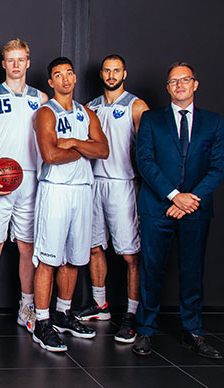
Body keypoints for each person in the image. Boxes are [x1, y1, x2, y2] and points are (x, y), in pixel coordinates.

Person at [132, 62, 224, 359]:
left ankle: (193, 331)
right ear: (168, 88)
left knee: (192, 271)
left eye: (185, 80)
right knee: (151, 271)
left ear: (195, 84)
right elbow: (145, 161)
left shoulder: (213, 122)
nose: (180, 85)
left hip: (195, 210)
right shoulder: (151, 119)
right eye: (173, 82)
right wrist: (174, 196)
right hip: (157, 207)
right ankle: (145, 331)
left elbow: (217, 168)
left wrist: (189, 199)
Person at [31, 57, 108, 352]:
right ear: (50, 82)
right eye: (58, 75)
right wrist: (83, 146)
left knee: (75, 257)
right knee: (49, 259)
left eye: (69, 74)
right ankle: (41, 321)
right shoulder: (45, 113)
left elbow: (103, 150)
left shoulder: (87, 113)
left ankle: (63, 313)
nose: (65, 79)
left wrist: (72, 142)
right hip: (56, 190)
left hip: (82, 189)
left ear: (75, 79)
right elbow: (50, 155)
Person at [0, 39, 48, 336]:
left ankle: (26, 306)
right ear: (3, 64)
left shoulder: (43, 99)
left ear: (28, 63)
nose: (16, 64)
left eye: (21, 59)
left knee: (27, 248)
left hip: (31, 179)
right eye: (11, 60)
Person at [79, 54, 148, 344]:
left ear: (124, 73)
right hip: (93, 183)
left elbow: (147, 151)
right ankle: (101, 304)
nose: (110, 75)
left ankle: (132, 315)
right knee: (94, 247)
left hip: (122, 184)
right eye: (106, 70)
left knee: (130, 254)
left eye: (116, 70)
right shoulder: (90, 107)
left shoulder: (136, 106)